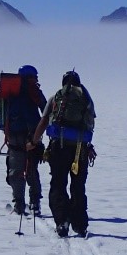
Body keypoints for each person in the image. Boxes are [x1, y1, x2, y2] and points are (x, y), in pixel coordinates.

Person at [33, 70, 96, 238]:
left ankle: (62, 222)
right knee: (78, 186)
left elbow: (44, 120)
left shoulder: (56, 98)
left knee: (58, 184)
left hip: (58, 148)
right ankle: (80, 225)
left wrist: (34, 141)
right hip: (80, 150)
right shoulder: (86, 99)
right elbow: (90, 125)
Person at [0, 65, 46, 215]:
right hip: (32, 136)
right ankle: (35, 203)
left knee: (16, 171)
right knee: (31, 169)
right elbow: (45, 108)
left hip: (13, 135)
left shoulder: (10, 90)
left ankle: (19, 204)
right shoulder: (34, 90)